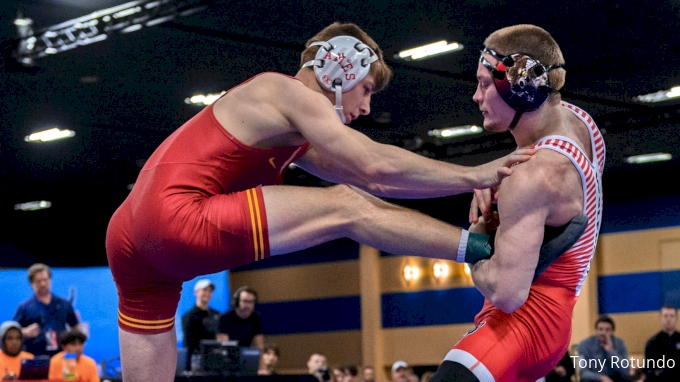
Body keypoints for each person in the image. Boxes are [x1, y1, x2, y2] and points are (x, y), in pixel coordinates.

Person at [104, 20, 578, 382]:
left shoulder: (290, 133)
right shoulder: (282, 89)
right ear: (338, 65)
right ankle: (483, 251)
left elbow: (385, 183)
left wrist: (461, 183)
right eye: (367, 87)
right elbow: (371, 169)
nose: (367, 107)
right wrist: (476, 173)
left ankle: (481, 249)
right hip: (176, 216)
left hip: (128, 239)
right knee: (345, 206)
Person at [429, 24, 605, 382]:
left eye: (484, 84)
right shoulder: (583, 125)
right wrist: (499, 186)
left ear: (518, 87)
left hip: (521, 325)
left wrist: (478, 244)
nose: (476, 97)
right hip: (556, 320)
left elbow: (507, 294)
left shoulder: (531, 179)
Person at [13, 263, 80, 357]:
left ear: (50, 280)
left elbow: (75, 327)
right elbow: (13, 330)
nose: (43, 284)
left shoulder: (64, 304)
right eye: (38, 281)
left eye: (45, 280)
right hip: (34, 356)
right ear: (32, 284)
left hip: (60, 356)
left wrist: (74, 345)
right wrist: (25, 332)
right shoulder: (24, 307)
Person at [180, 279, 221, 370]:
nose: (207, 293)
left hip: (215, 361)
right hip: (197, 363)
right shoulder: (189, 317)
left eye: (209, 291)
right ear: (196, 292)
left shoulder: (217, 315)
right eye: (204, 290)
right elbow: (188, 344)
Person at [578, 316, 631, 382]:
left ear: (612, 331)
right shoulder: (585, 344)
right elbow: (583, 372)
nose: (603, 333)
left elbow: (626, 370)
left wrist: (612, 352)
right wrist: (601, 377)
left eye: (607, 330)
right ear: (596, 330)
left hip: (614, 377)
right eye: (600, 329)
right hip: (595, 378)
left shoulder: (619, 343)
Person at [644, 305, 680, 381]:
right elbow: (649, 368)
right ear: (660, 318)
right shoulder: (652, 343)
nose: (668, 319)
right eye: (665, 316)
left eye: (672, 316)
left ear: (676, 319)